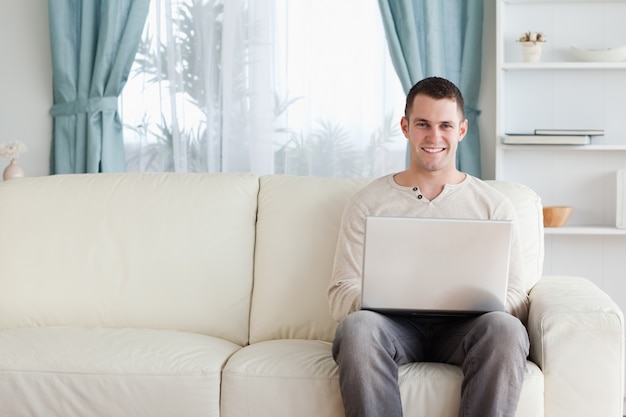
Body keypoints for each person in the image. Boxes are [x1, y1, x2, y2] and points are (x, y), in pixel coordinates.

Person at [328, 76, 530, 417]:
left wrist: (479, 301)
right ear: (406, 127)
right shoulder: (367, 203)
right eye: (423, 124)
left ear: (462, 130)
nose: (434, 137)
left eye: (445, 125)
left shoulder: (494, 206)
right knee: (357, 329)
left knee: (507, 329)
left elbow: (517, 295)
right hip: (391, 328)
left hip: (467, 330)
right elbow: (338, 293)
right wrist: (384, 294)